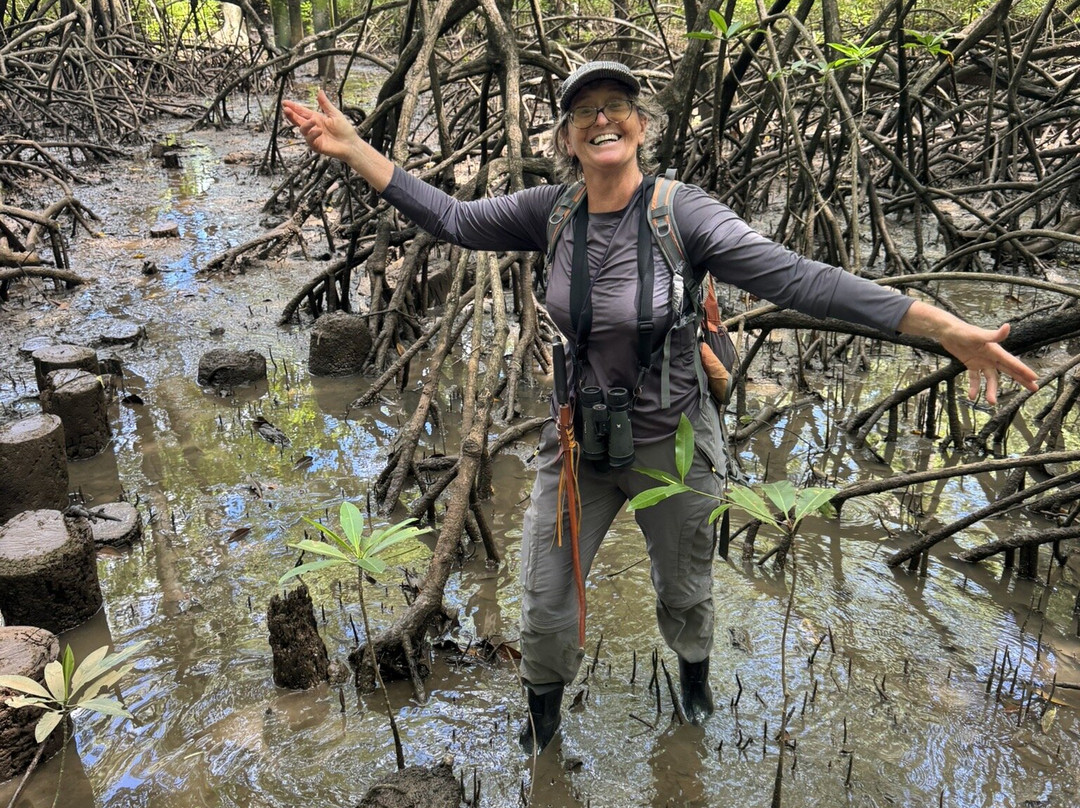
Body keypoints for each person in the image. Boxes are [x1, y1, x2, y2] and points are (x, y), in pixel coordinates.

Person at [283, 60, 1039, 754]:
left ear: (640, 126)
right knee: (544, 604)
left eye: (616, 106)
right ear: (567, 139)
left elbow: (800, 279)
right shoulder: (552, 211)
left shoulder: (685, 215)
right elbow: (451, 218)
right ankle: (542, 738)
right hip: (577, 443)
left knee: (684, 593)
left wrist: (940, 327)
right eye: (584, 112)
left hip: (674, 441)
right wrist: (353, 147)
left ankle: (695, 700)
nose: (601, 120)